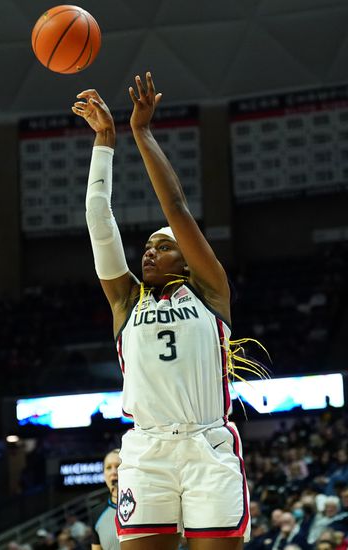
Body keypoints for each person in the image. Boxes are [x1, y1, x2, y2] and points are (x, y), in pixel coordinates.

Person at [72, 72, 253, 550]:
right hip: (146, 449)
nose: (149, 252)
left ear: (187, 259)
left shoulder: (210, 292)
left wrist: (142, 133)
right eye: (147, 247)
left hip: (207, 447)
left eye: (162, 247)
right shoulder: (125, 299)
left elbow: (175, 207)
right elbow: (98, 218)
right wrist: (104, 143)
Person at [90, 448, 121, 550]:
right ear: (104, 475)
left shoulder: (145, 506)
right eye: (108, 467)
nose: (113, 472)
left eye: (118, 466)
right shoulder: (96, 513)